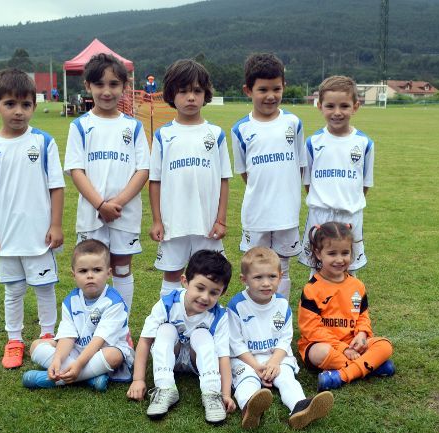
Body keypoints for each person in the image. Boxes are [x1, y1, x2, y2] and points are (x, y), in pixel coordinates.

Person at [0, 68, 65, 369]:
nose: (18, 111)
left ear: (34, 107)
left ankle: (48, 335)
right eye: (10, 104)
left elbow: (56, 187)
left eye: (26, 105)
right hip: (7, 236)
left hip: (39, 236)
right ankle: (14, 340)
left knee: (44, 288)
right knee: (13, 291)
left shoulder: (43, 142)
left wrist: (55, 225)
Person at [64, 54, 150, 312]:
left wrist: (118, 203)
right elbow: (76, 170)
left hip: (125, 213)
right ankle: (92, 327)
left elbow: (143, 170)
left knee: (121, 269)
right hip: (92, 214)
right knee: (92, 270)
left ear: (124, 87)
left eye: (114, 84)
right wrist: (101, 204)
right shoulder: (80, 126)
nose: (107, 91)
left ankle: (120, 329)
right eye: (99, 84)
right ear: (88, 86)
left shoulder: (133, 127)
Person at [149, 59, 232, 297]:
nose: (191, 97)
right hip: (173, 222)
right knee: (172, 274)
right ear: (171, 94)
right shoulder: (163, 135)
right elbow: (155, 181)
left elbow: (224, 179)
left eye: (197, 91)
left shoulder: (215, 134)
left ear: (205, 94)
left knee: (210, 274)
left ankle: (206, 323)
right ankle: (169, 322)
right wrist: (157, 220)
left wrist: (221, 220)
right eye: (183, 91)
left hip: (207, 224)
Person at [228, 247, 333, 429]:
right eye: (258, 277)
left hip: (276, 356)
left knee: (286, 378)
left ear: (280, 276)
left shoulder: (282, 305)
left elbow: (285, 338)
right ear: (244, 279)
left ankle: (300, 408)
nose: (266, 283)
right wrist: (256, 367)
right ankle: (249, 409)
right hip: (246, 359)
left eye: (272, 277)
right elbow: (235, 343)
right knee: (247, 380)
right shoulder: (237, 305)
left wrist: (275, 362)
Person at [126, 250, 236, 424]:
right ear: (185, 281)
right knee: (166, 329)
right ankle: (165, 387)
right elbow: (146, 340)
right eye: (200, 288)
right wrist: (138, 379)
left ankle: (211, 394)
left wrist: (225, 394)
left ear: (222, 293)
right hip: (173, 356)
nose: (205, 297)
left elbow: (223, 356)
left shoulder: (220, 315)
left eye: (214, 292)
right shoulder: (168, 303)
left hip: (196, 362)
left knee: (202, 334)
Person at [231, 53, 306, 301]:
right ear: (247, 90)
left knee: (282, 266)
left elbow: (300, 165)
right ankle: (255, 313)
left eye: (277, 88)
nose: (271, 95)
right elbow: (244, 172)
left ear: (284, 86)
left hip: (286, 210)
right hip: (257, 212)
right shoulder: (240, 129)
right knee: (255, 265)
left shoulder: (293, 123)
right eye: (262, 89)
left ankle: (278, 314)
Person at [22, 239, 134, 390]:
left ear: (108, 272)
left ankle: (56, 379)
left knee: (114, 355)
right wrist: (57, 360)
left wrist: (79, 364)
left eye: (97, 270)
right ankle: (89, 378)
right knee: (36, 346)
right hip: (76, 350)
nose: (90, 275)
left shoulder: (114, 302)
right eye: (83, 271)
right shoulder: (71, 300)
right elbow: (68, 336)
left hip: (102, 350)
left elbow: (99, 340)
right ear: (74, 275)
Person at [298, 222, 395, 391]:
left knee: (385, 345)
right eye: (332, 253)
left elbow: (363, 316)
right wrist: (342, 348)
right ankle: (371, 366)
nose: (339, 259)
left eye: (345, 253)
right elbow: (311, 330)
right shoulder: (312, 289)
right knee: (319, 353)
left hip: (353, 344)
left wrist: (362, 335)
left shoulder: (357, 286)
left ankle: (341, 376)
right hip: (324, 345)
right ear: (318, 254)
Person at [299, 75, 375, 277]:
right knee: (318, 266)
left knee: (348, 267)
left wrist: (348, 201)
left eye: (344, 106)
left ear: (355, 106)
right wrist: (324, 200)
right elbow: (309, 183)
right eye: (330, 106)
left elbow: (364, 184)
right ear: (319, 106)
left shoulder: (364, 143)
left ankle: (348, 306)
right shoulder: (312, 142)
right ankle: (316, 306)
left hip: (350, 214)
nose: (337, 112)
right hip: (320, 213)